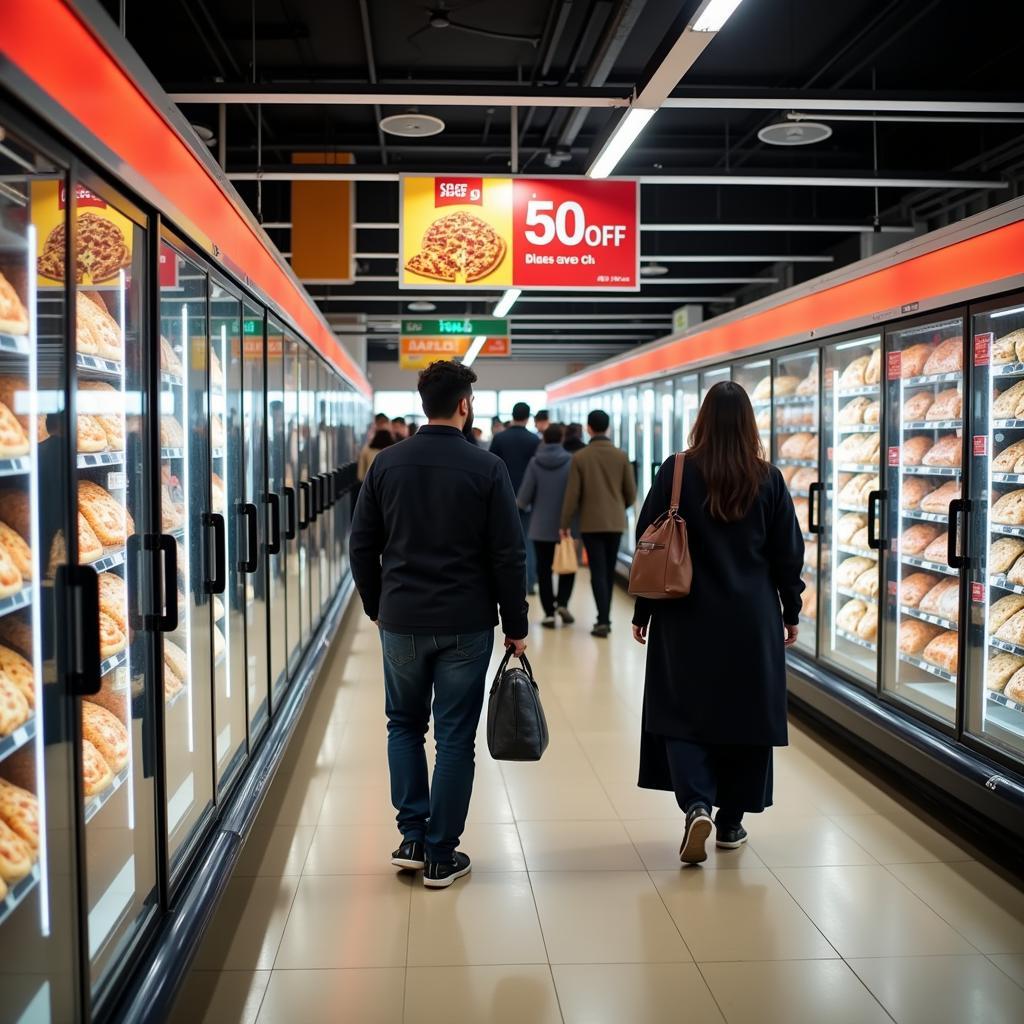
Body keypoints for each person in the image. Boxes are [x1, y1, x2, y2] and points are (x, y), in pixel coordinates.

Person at [349, 360, 529, 889]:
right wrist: (514, 622)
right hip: (466, 621)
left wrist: (376, 604)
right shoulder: (487, 467)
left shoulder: (387, 464)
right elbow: (508, 553)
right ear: (465, 405)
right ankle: (440, 853)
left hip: (402, 617)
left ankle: (410, 835)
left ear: (423, 401)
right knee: (454, 738)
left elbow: (362, 544)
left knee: (403, 725)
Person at [632, 382, 804, 865]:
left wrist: (643, 611)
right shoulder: (767, 479)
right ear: (748, 423)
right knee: (745, 716)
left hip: (684, 615)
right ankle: (731, 823)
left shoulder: (678, 470)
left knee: (683, 713)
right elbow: (787, 553)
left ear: (702, 420)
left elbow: (650, 541)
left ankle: (697, 805)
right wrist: (790, 611)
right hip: (751, 619)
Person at [560, 409, 636, 637]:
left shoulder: (581, 457)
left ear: (589, 428)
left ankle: (603, 620)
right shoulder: (621, 456)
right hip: (615, 522)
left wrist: (564, 523)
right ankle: (605, 618)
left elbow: (572, 494)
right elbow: (631, 493)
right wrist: (616, 508)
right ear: (608, 427)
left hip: (591, 524)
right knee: (609, 570)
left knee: (598, 571)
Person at [517, 423, 575, 629]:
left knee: (544, 570)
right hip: (566, 526)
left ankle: (549, 613)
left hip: (540, 526)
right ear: (561, 439)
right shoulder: (571, 461)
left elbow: (524, 497)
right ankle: (563, 603)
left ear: (544, 439)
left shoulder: (535, 462)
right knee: (568, 566)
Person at [489, 402, 541, 593]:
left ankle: (506, 583)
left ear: (512, 415)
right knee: (528, 540)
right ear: (528, 418)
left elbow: (490, 467)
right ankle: (529, 582)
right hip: (528, 498)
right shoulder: (534, 440)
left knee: (503, 541)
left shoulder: (500, 438)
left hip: (503, 496)